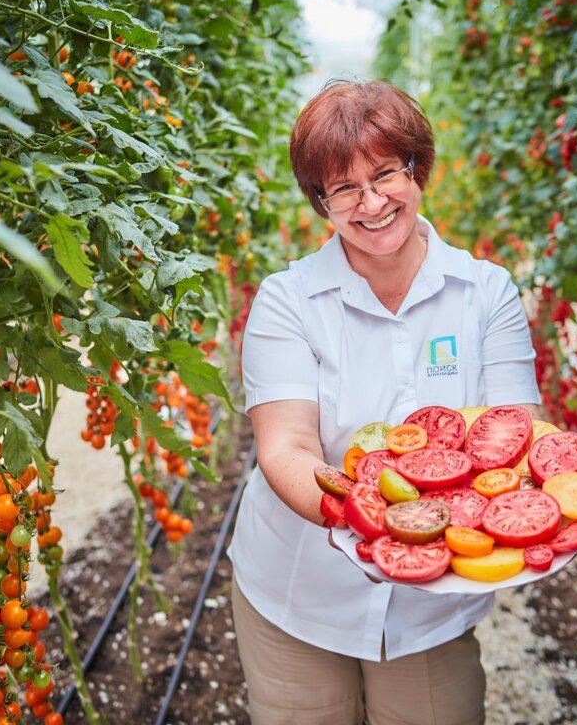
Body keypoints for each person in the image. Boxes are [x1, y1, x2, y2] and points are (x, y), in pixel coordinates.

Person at [228, 78, 542, 725]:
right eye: (342, 188)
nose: (370, 203)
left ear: (416, 167)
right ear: (320, 200)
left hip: (431, 602)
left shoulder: (486, 294)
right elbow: (286, 447)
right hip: (299, 590)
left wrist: (465, 536)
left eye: (385, 174)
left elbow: (514, 433)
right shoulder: (289, 303)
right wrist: (377, 524)